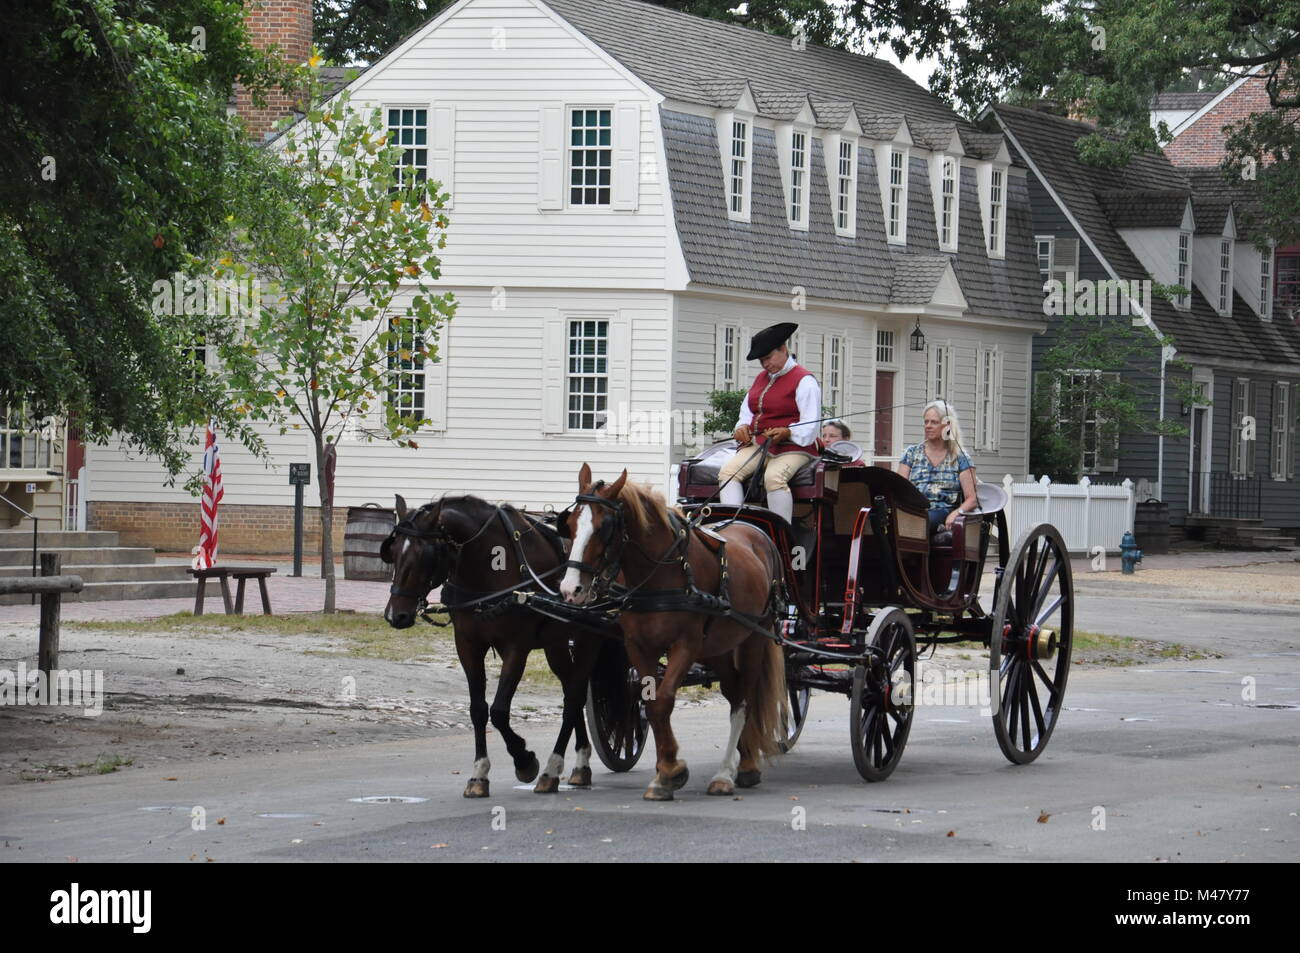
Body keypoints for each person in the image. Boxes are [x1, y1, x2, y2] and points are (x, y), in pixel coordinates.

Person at [718, 322, 822, 526]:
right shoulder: (760, 379)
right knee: (727, 472)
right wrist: (741, 428)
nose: (765, 364)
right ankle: (733, 527)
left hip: (796, 448)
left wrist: (788, 432)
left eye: (768, 358)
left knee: (774, 477)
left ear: (783, 349)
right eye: (761, 360)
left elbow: (811, 425)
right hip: (760, 444)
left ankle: (782, 535)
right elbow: (747, 413)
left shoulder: (804, 381)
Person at [896, 399, 977, 537]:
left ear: (947, 425)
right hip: (912, 510)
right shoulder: (911, 453)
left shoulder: (961, 457)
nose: (928, 426)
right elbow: (898, 489)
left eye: (934, 422)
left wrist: (955, 513)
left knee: (922, 522)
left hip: (942, 512)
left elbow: (972, 499)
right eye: (926, 422)